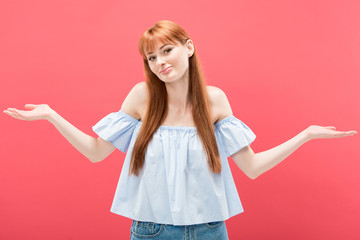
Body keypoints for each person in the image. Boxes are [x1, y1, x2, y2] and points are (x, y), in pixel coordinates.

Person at [3, 20, 357, 240]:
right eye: (151, 58)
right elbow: (96, 153)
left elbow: (251, 167)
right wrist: (52, 115)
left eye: (166, 50)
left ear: (188, 48)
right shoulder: (142, 97)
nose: (159, 62)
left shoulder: (214, 101)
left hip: (209, 230)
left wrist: (306, 135)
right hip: (150, 231)